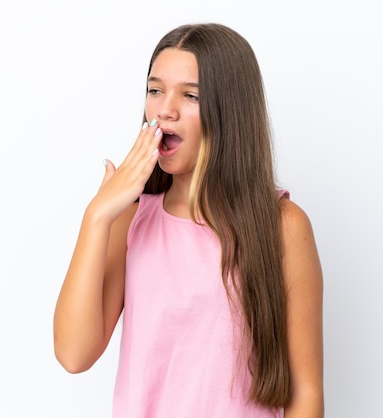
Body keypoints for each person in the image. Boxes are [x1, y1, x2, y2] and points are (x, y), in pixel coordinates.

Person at [53, 23, 323, 418]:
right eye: (155, 90)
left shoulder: (283, 227)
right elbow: (73, 355)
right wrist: (97, 216)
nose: (165, 109)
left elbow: (305, 393)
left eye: (190, 95)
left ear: (229, 110)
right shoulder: (129, 221)